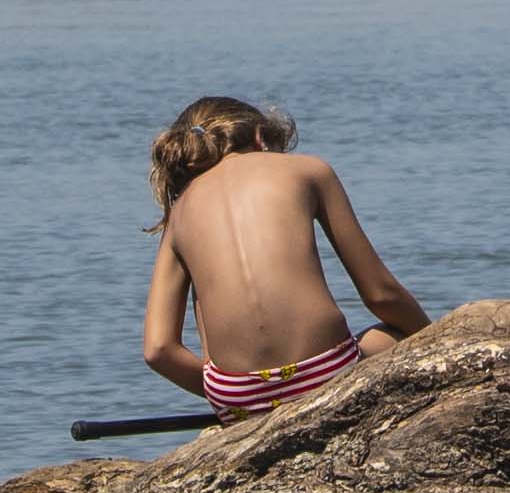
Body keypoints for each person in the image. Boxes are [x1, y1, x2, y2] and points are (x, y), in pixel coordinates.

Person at [137, 95, 426, 430]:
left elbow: (158, 349)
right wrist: (437, 338)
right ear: (260, 137)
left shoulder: (179, 214)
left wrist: (239, 393)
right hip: (327, 373)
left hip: (237, 396)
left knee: (204, 298)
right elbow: (381, 294)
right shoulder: (309, 171)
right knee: (397, 333)